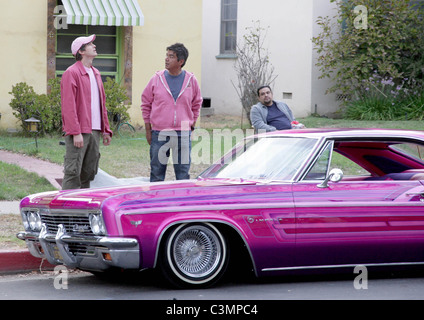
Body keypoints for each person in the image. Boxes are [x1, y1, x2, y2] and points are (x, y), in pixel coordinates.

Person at [141, 43, 202, 182]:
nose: (166, 59)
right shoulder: (156, 78)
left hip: (183, 134)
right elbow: (145, 104)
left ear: (181, 61)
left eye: (171, 56)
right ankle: (155, 202)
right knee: (156, 173)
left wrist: (191, 126)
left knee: (183, 175)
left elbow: (197, 104)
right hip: (159, 133)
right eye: (166, 56)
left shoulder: (191, 80)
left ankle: (182, 203)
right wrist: (148, 130)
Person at [60, 34, 112, 190]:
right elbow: (68, 106)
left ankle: (81, 210)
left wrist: (105, 130)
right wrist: (75, 132)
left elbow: (102, 104)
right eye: (90, 44)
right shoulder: (72, 72)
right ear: (81, 51)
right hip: (80, 132)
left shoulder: (95, 73)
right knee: (73, 171)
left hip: (95, 131)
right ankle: (65, 210)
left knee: (89, 172)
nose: (94, 46)